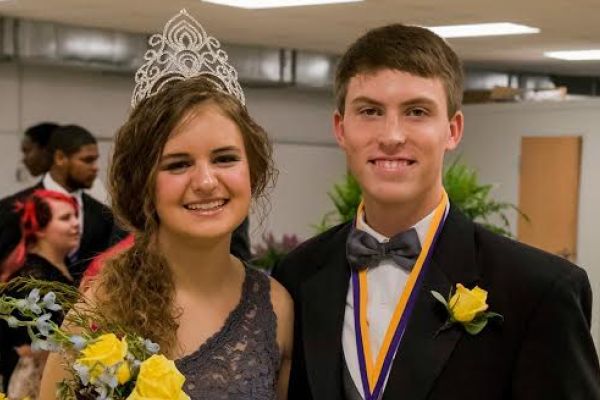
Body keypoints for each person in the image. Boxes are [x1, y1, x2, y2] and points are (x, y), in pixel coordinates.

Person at [272, 24, 600, 400]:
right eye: (370, 111)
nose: (392, 136)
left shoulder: (538, 290)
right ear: (341, 129)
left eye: (416, 111)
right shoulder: (298, 275)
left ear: (453, 129)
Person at [39, 10, 293, 400]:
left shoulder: (276, 308)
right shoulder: (101, 307)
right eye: (178, 164)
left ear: (252, 171)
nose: (207, 182)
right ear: (143, 182)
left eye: (225, 158)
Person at [0, 124, 122, 284]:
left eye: (95, 160)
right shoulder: (13, 208)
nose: (95, 168)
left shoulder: (103, 215)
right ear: (60, 158)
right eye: (87, 160)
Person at [2, 189, 80, 399]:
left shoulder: (64, 266)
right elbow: (31, 354)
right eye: (66, 218)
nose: (76, 223)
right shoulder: (31, 279)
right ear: (39, 229)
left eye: (75, 216)